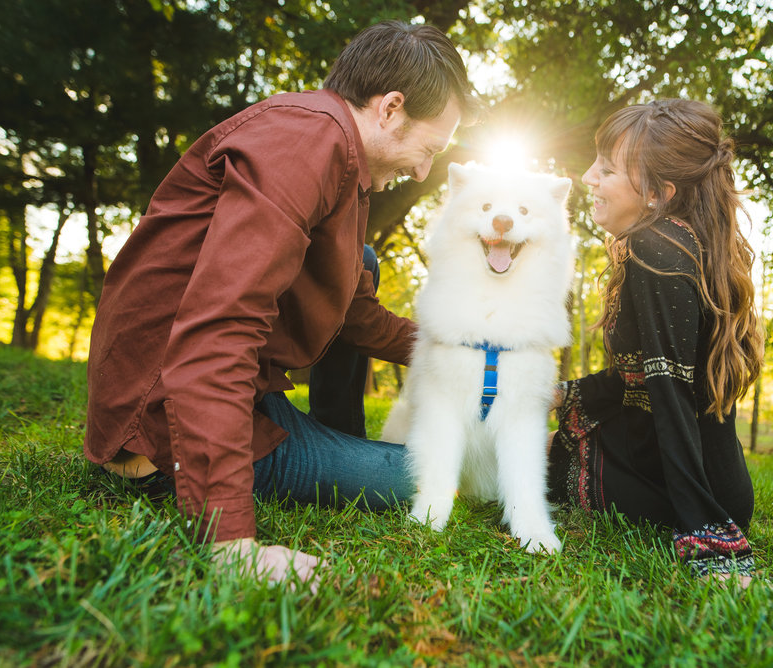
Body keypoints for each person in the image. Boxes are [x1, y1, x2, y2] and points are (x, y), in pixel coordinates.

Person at [83, 20, 480, 592]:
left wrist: (458, 346)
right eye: (429, 150)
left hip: (238, 394)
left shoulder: (339, 158)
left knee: (357, 260)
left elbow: (353, 314)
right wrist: (232, 546)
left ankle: (334, 441)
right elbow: (217, 329)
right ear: (390, 108)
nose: (422, 171)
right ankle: (325, 456)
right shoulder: (306, 143)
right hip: (158, 426)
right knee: (428, 477)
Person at [548, 99, 764, 585]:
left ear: (656, 194)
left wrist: (706, 532)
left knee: (511, 464)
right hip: (679, 465)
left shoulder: (656, 248)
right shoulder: (675, 241)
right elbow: (638, 377)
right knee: (530, 449)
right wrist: (560, 394)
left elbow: (673, 395)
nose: (587, 178)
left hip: (674, 484)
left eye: (606, 170)